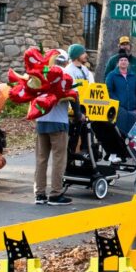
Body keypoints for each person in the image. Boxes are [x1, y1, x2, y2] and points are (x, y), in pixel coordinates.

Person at [34, 48, 85, 206]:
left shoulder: (41, 75)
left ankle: (40, 194)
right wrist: (79, 116)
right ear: (65, 61)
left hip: (41, 122)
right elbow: (74, 97)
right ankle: (55, 194)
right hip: (59, 123)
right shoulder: (65, 76)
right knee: (58, 159)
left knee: (41, 159)